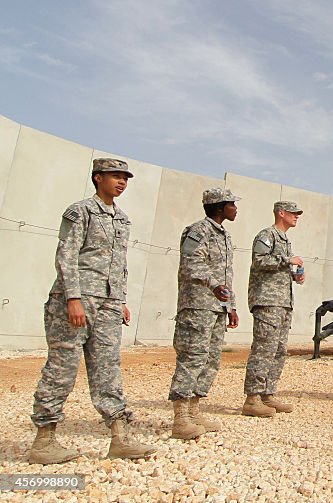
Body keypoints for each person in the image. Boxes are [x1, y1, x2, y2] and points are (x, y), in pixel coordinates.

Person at [27, 158, 157, 464]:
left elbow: (118, 264)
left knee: (108, 369)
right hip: (77, 299)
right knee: (62, 368)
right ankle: (43, 441)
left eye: (125, 177)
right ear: (98, 178)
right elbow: (66, 255)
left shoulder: (122, 219)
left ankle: (119, 438)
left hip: (108, 304)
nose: (122, 181)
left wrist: (120, 299)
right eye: (115, 176)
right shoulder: (80, 211)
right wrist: (72, 297)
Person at [168, 187, 241, 439]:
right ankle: (181, 417)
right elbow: (191, 263)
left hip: (217, 307)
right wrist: (213, 284)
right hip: (197, 304)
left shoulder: (224, 236)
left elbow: (226, 274)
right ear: (219, 207)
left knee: (211, 359)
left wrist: (231, 305)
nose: (235, 208)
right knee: (193, 357)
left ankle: (194, 409)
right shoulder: (197, 231)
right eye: (232, 204)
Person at [242, 201, 305, 417]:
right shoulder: (266, 235)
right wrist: (288, 260)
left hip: (282, 303)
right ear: (281, 213)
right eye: (293, 213)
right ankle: (252, 398)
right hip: (267, 302)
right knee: (263, 349)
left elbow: (278, 268)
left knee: (278, 350)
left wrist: (295, 275)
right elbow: (259, 261)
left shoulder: (285, 240)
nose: (297, 216)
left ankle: (267, 395)